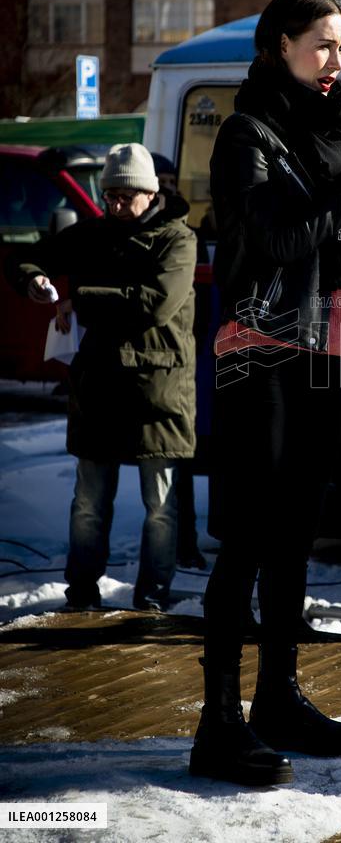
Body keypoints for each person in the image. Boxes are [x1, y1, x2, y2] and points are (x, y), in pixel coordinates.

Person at [190, 0, 341, 787]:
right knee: (251, 538)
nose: (336, 61)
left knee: (293, 535)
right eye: (322, 43)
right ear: (278, 45)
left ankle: (277, 698)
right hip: (260, 354)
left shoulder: (327, 139)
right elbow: (283, 238)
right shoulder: (245, 135)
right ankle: (217, 725)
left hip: (323, 351)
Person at [6, 143, 197, 612]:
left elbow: (153, 303)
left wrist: (81, 300)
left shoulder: (178, 239)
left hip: (160, 390)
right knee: (89, 502)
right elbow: (29, 258)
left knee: (161, 507)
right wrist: (33, 278)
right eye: (109, 194)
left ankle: (151, 598)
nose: (114, 204)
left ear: (150, 193)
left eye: (124, 196)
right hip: (98, 386)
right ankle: (82, 593)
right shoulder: (92, 233)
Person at [151, 151, 207, 572]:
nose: (168, 187)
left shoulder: (190, 233)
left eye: (172, 180)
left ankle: (184, 544)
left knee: (180, 460)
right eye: (160, 181)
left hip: (188, 355)